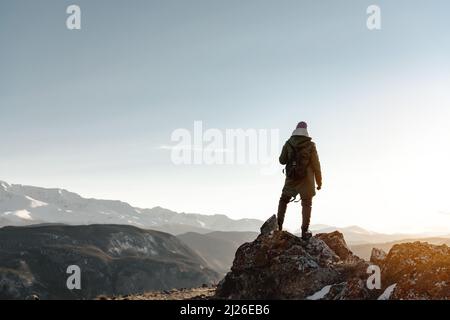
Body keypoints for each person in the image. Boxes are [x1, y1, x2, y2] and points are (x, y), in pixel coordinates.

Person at [277, 121, 322, 240]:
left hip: (292, 177)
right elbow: (316, 165)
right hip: (307, 180)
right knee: (306, 204)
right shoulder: (311, 145)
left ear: (295, 129)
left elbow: (282, 160)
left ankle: (278, 227)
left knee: (284, 200)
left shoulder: (289, 143)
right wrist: (319, 182)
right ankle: (304, 231)